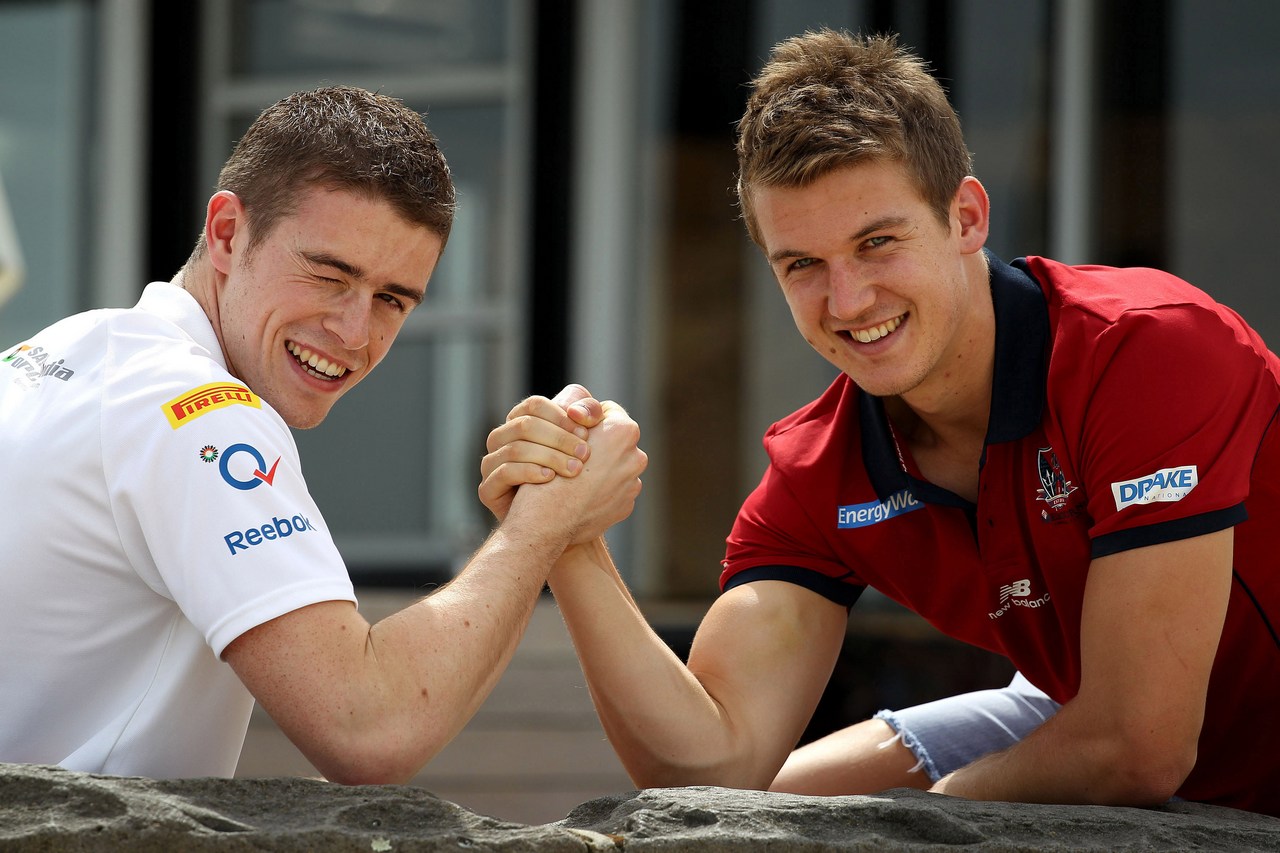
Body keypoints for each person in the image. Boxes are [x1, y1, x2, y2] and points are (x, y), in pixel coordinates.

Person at [479, 30, 1280, 815]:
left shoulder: (1146, 347)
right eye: (803, 265)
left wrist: (942, 811)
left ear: (966, 218)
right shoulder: (818, 469)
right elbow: (709, 764)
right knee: (750, 816)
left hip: (1163, 736)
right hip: (1086, 714)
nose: (849, 300)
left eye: (878, 243)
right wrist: (567, 537)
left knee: (912, 816)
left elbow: (1137, 746)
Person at [0, 85, 646, 783]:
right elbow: (368, 726)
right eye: (329, 274)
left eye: (393, 299)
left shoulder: (68, 346)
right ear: (226, 233)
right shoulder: (199, 412)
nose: (354, 332)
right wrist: (543, 523)